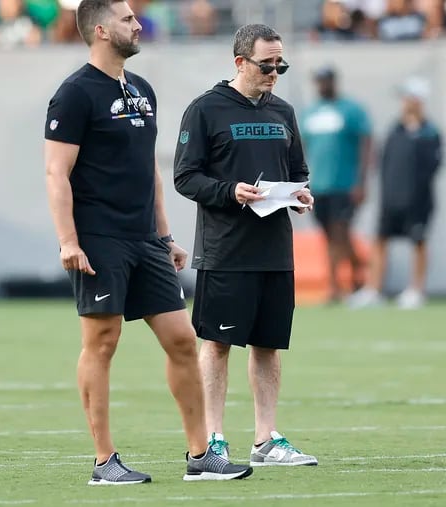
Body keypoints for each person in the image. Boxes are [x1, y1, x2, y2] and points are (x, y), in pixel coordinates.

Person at [44, 0, 252, 485]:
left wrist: (164, 235)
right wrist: (68, 241)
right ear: (100, 29)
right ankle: (104, 462)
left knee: (183, 340)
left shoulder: (142, 90)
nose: (138, 25)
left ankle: (201, 456)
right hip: (99, 239)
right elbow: (57, 173)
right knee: (102, 342)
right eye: (127, 19)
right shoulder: (74, 94)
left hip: (144, 239)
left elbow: (150, 172)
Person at [174, 23, 317, 467]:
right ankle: (213, 438)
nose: (275, 72)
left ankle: (266, 439)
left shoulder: (284, 111)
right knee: (217, 344)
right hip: (225, 249)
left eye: (281, 65)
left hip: (275, 248)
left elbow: (297, 171)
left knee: (268, 345)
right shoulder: (205, 110)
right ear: (240, 62)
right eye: (267, 65)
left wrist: (299, 195)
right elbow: (185, 176)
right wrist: (229, 191)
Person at [348, 77, 442, 310]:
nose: (405, 102)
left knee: (418, 243)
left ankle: (416, 290)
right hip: (391, 199)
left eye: (409, 98)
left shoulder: (430, 133)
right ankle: (373, 289)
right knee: (380, 241)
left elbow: (432, 167)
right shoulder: (395, 129)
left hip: (418, 201)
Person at [300, 65, 372, 303]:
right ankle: (359, 272)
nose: (323, 86)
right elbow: (303, 149)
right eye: (319, 81)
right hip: (319, 185)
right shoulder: (310, 113)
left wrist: (361, 181)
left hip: (344, 183)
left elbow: (366, 143)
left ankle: (336, 286)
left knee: (340, 230)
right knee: (330, 234)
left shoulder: (350, 110)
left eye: (326, 81)